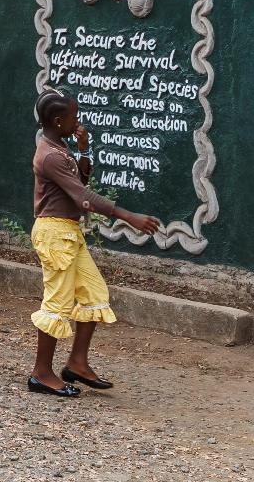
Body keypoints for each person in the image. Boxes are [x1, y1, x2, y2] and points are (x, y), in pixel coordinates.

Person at [27, 89, 162, 397]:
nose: (78, 121)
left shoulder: (58, 146)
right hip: (55, 233)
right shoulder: (48, 155)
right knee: (57, 302)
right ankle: (41, 373)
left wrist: (84, 151)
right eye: (74, 117)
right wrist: (128, 216)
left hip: (68, 232)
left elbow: (79, 183)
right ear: (58, 120)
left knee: (94, 293)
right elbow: (83, 197)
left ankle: (76, 363)